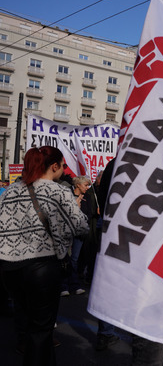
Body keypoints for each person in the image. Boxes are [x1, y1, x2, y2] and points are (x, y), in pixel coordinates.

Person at [0, 146, 88, 365]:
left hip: (9, 267)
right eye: (63, 166)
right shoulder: (57, 190)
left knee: (25, 316)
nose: (64, 170)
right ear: (54, 166)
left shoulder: (10, 191)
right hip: (41, 267)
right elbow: (81, 227)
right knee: (41, 329)